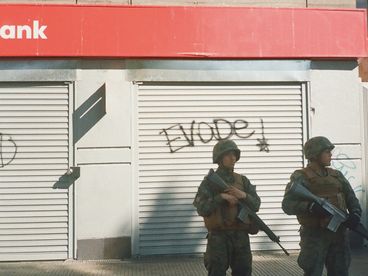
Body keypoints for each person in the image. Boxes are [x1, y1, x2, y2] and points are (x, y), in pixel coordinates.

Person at [282, 136, 362, 276]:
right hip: (314, 236)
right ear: (315, 154)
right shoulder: (301, 176)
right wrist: (309, 207)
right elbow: (287, 205)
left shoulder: (336, 175)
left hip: (339, 235)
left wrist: (355, 214)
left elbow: (351, 198)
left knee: (340, 271)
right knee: (313, 272)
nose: (331, 155)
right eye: (327, 151)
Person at [193, 139, 261, 276]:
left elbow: (256, 205)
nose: (233, 158)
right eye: (228, 155)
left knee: (244, 272)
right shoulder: (209, 183)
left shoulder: (243, 181)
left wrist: (243, 195)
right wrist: (221, 198)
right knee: (216, 272)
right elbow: (202, 208)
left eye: (234, 155)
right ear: (219, 158)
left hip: (241, 236)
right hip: (218, 237)